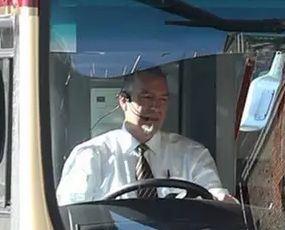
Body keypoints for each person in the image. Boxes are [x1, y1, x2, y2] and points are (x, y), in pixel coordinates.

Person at [55, 68, 233, 204]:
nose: (156, 107)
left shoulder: (192, 155)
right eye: (147, 97)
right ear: (124, 101)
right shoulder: (91, 156)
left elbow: (214, 195)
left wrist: (222, 200)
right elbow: (71, 214)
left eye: (163, 99)